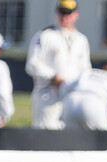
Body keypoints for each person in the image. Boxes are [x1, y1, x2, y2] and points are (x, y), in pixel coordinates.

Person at [25, 0, 90, 129]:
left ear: (76, 14)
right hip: (48, 93)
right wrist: (54, 77)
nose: (65, 17)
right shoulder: (44, 35)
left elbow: (86, 68)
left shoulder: (81, 39)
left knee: (71, 132)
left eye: (69, 13)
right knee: (46, 131)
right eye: (62, 13)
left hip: (72, 95)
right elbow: (32, 64)